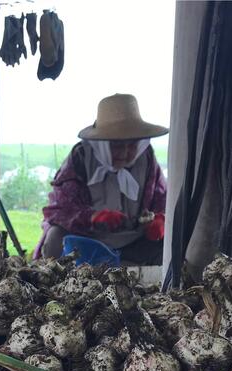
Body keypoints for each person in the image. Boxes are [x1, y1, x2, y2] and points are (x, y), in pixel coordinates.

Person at [33, 93, 168, 265]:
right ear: (103, 143)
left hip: (134, 241)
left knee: (170, 243)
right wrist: (92, 217)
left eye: (132, 145)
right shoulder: (81, 157)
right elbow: (60, 209)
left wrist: (159, 220)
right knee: (55, 237)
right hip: (88, 241)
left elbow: (161, 199)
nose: (125, 154)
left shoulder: (146, 158)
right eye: (117, 146)